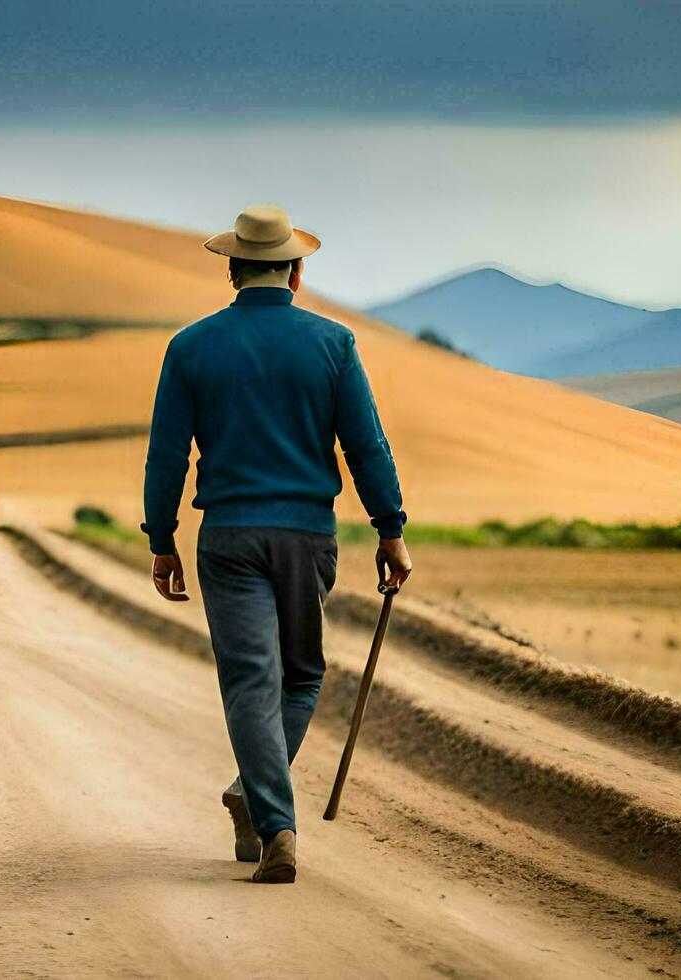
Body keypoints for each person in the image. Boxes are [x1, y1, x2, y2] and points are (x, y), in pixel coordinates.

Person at [141, 204, 412, 884]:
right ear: (295, 272)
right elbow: (365, 445)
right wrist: (391, 528)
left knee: (249, 680)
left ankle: (264, 812)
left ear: (231, 270)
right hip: (305, 536)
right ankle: (272, 820)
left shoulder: (190, 347)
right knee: (301, 676)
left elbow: (166, 456)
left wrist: (162, 538)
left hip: (227, 536)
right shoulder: (333, 343)